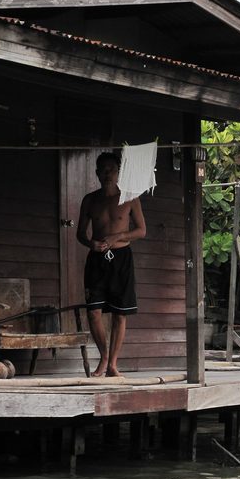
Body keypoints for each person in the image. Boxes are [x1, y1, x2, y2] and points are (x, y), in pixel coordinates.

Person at [76, 152, 147, 377]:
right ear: (97, 173)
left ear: (119, 173)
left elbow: (141, 231)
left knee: (119, 313)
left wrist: (118, 236)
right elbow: (80, 233)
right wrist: (91, 243)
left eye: (112, 170)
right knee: (93, 312)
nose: (108, 174)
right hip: (97, 259)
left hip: (121, 257)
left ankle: (113, 364)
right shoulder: (90, 200)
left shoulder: (130, 198)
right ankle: (104, 357)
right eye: (104, 170)